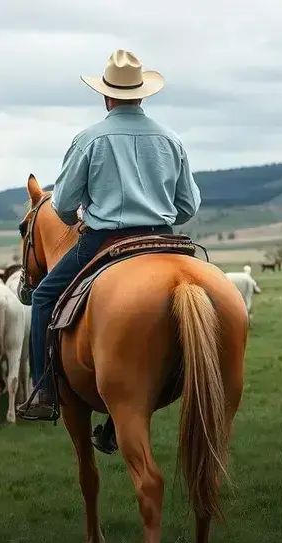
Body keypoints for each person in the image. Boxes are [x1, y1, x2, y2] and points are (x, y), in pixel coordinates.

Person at [15, 49, 203, 456]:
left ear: (106, 96)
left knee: (46, 295)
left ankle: (43, 390)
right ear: (142, 94)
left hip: (104, 240)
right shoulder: (171, 139)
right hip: (164, 238)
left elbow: (62, 206)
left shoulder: (89, 139)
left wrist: (86, 208)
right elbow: (188, 207)